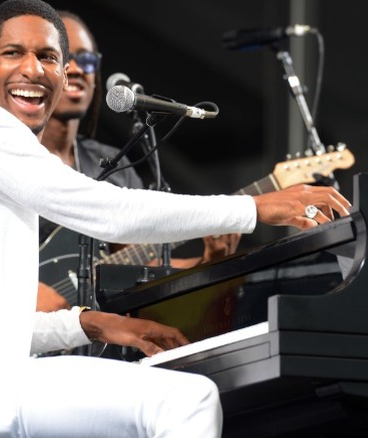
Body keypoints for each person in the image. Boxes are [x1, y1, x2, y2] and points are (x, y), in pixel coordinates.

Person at [0, 0, 351, 436]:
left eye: (50, 58)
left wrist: (94, 323)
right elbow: (108, 212)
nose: (34, 69)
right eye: (14, 53)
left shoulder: (0, 153)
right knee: (185, 401)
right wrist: (254, 207)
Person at [36, 10, 239, 312]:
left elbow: (137, 267)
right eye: (65, 57)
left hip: (94, 343)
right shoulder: (9, 155)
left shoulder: (115, 166)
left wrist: (205, 262)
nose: (78, 68)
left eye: (88, 60)